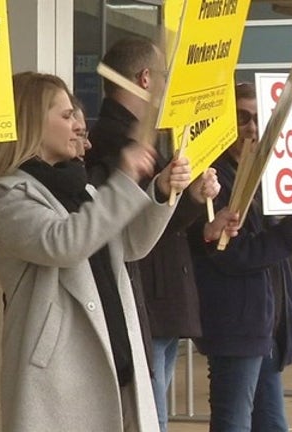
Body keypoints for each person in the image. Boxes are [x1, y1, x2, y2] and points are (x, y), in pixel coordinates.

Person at [0, 71, 192, 432]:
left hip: (116, 366)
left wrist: (160, 191)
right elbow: (66, 243)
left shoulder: (82, 189)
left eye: (77, 113)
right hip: (62, 383)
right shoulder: (7, 198)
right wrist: (123, 178)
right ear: (29, 124)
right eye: (66, 116)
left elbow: (130, 245)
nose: (80, 125)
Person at [85, 36, 223, 431]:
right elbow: (133, 230)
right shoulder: (118, 142)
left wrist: (193, 198)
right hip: (146, 294)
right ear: (145, 78)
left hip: (158, 297)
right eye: (165, 76)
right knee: (150, 417)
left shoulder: (139, 139)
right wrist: (172, 194)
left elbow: (159, 223)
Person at [187, 82, 292, 432]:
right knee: (235, 423)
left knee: (272, 425)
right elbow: (234, 254)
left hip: (267, 323)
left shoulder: (267, 171)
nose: (251, 127)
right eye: (242, 118)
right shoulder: (211, 182)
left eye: (259, 118)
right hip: (236, 324)